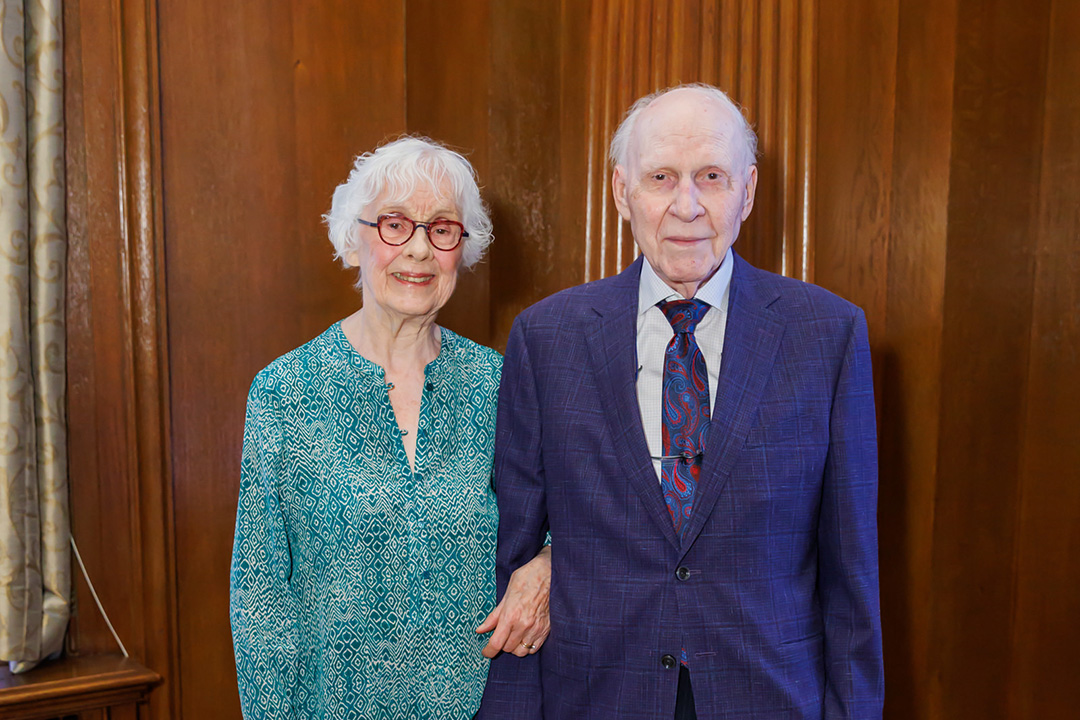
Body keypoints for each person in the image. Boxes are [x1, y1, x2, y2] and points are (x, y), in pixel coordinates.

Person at [479, 84, 883, 719]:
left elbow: (851, 573)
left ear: (748, 190)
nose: (686, 205)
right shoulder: (546, 338)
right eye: (661, 177)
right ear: (621, 192)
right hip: (595, 699)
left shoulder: (827, 335)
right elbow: (517, 568)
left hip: (771, 698)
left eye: (712, 177)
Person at [230, 136, 552, 720]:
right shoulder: (284, 391)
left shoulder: (501, 383)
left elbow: (565, 521)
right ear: (353, 242)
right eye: (395, 224)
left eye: (442, 228)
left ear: (463, 249)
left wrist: (548, 565)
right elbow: (259, 595)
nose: (420, 250)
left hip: (488, 703)